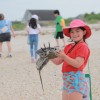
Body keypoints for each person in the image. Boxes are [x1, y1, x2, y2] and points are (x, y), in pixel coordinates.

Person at [51, 19, 91, 100]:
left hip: (76, 79)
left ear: (84, 32)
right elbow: (58, 61)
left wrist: (64, 56)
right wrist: (48, 55)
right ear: (69, 34)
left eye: (77, 31)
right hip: (67, 80)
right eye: (72, 32)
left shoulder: (83, 46)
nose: (74, 34)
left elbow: (77, 64)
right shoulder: (68, 46)